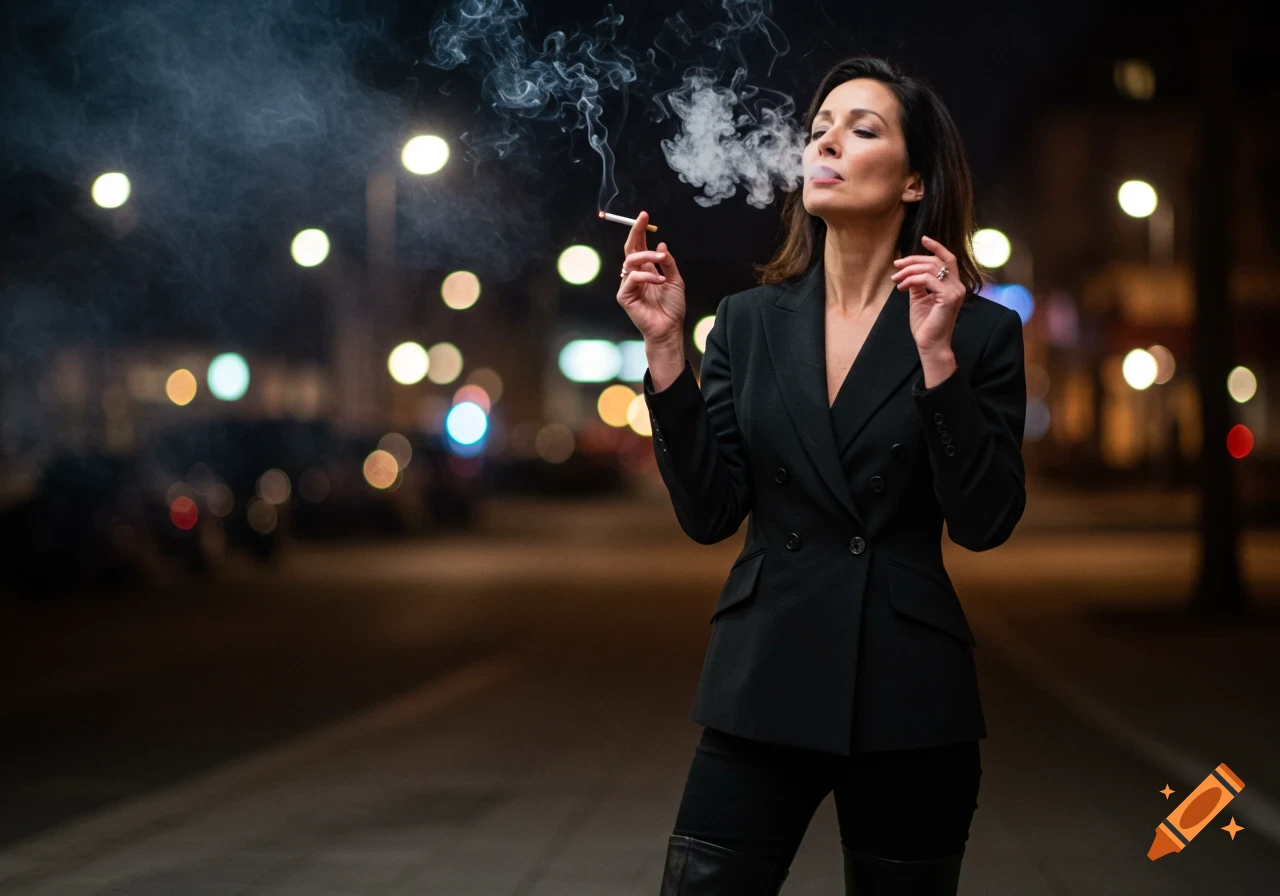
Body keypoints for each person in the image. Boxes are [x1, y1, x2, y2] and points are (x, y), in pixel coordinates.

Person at [615, 56, 1027, 895]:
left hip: (910, 694)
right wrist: (665, 352)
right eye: (817, 130)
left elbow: (985, 521)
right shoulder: (745, 322)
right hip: (763, 676)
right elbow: (710, 511)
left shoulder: (976, 333)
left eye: (862, 128)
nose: (828, 141)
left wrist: (937, 357)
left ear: (914, 181)